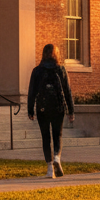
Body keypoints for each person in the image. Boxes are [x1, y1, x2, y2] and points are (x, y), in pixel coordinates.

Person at [27, 44, 75, 178]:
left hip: (42, 107)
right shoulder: (61, 70)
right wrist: (71, 111)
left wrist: (30, 110)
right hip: (58, 107)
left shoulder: (37, 71)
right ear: (56, 54)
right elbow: (67, 91)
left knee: (45, 137)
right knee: (57, 135)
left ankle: (49, 169)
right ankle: (57, 158)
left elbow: (32, 92)